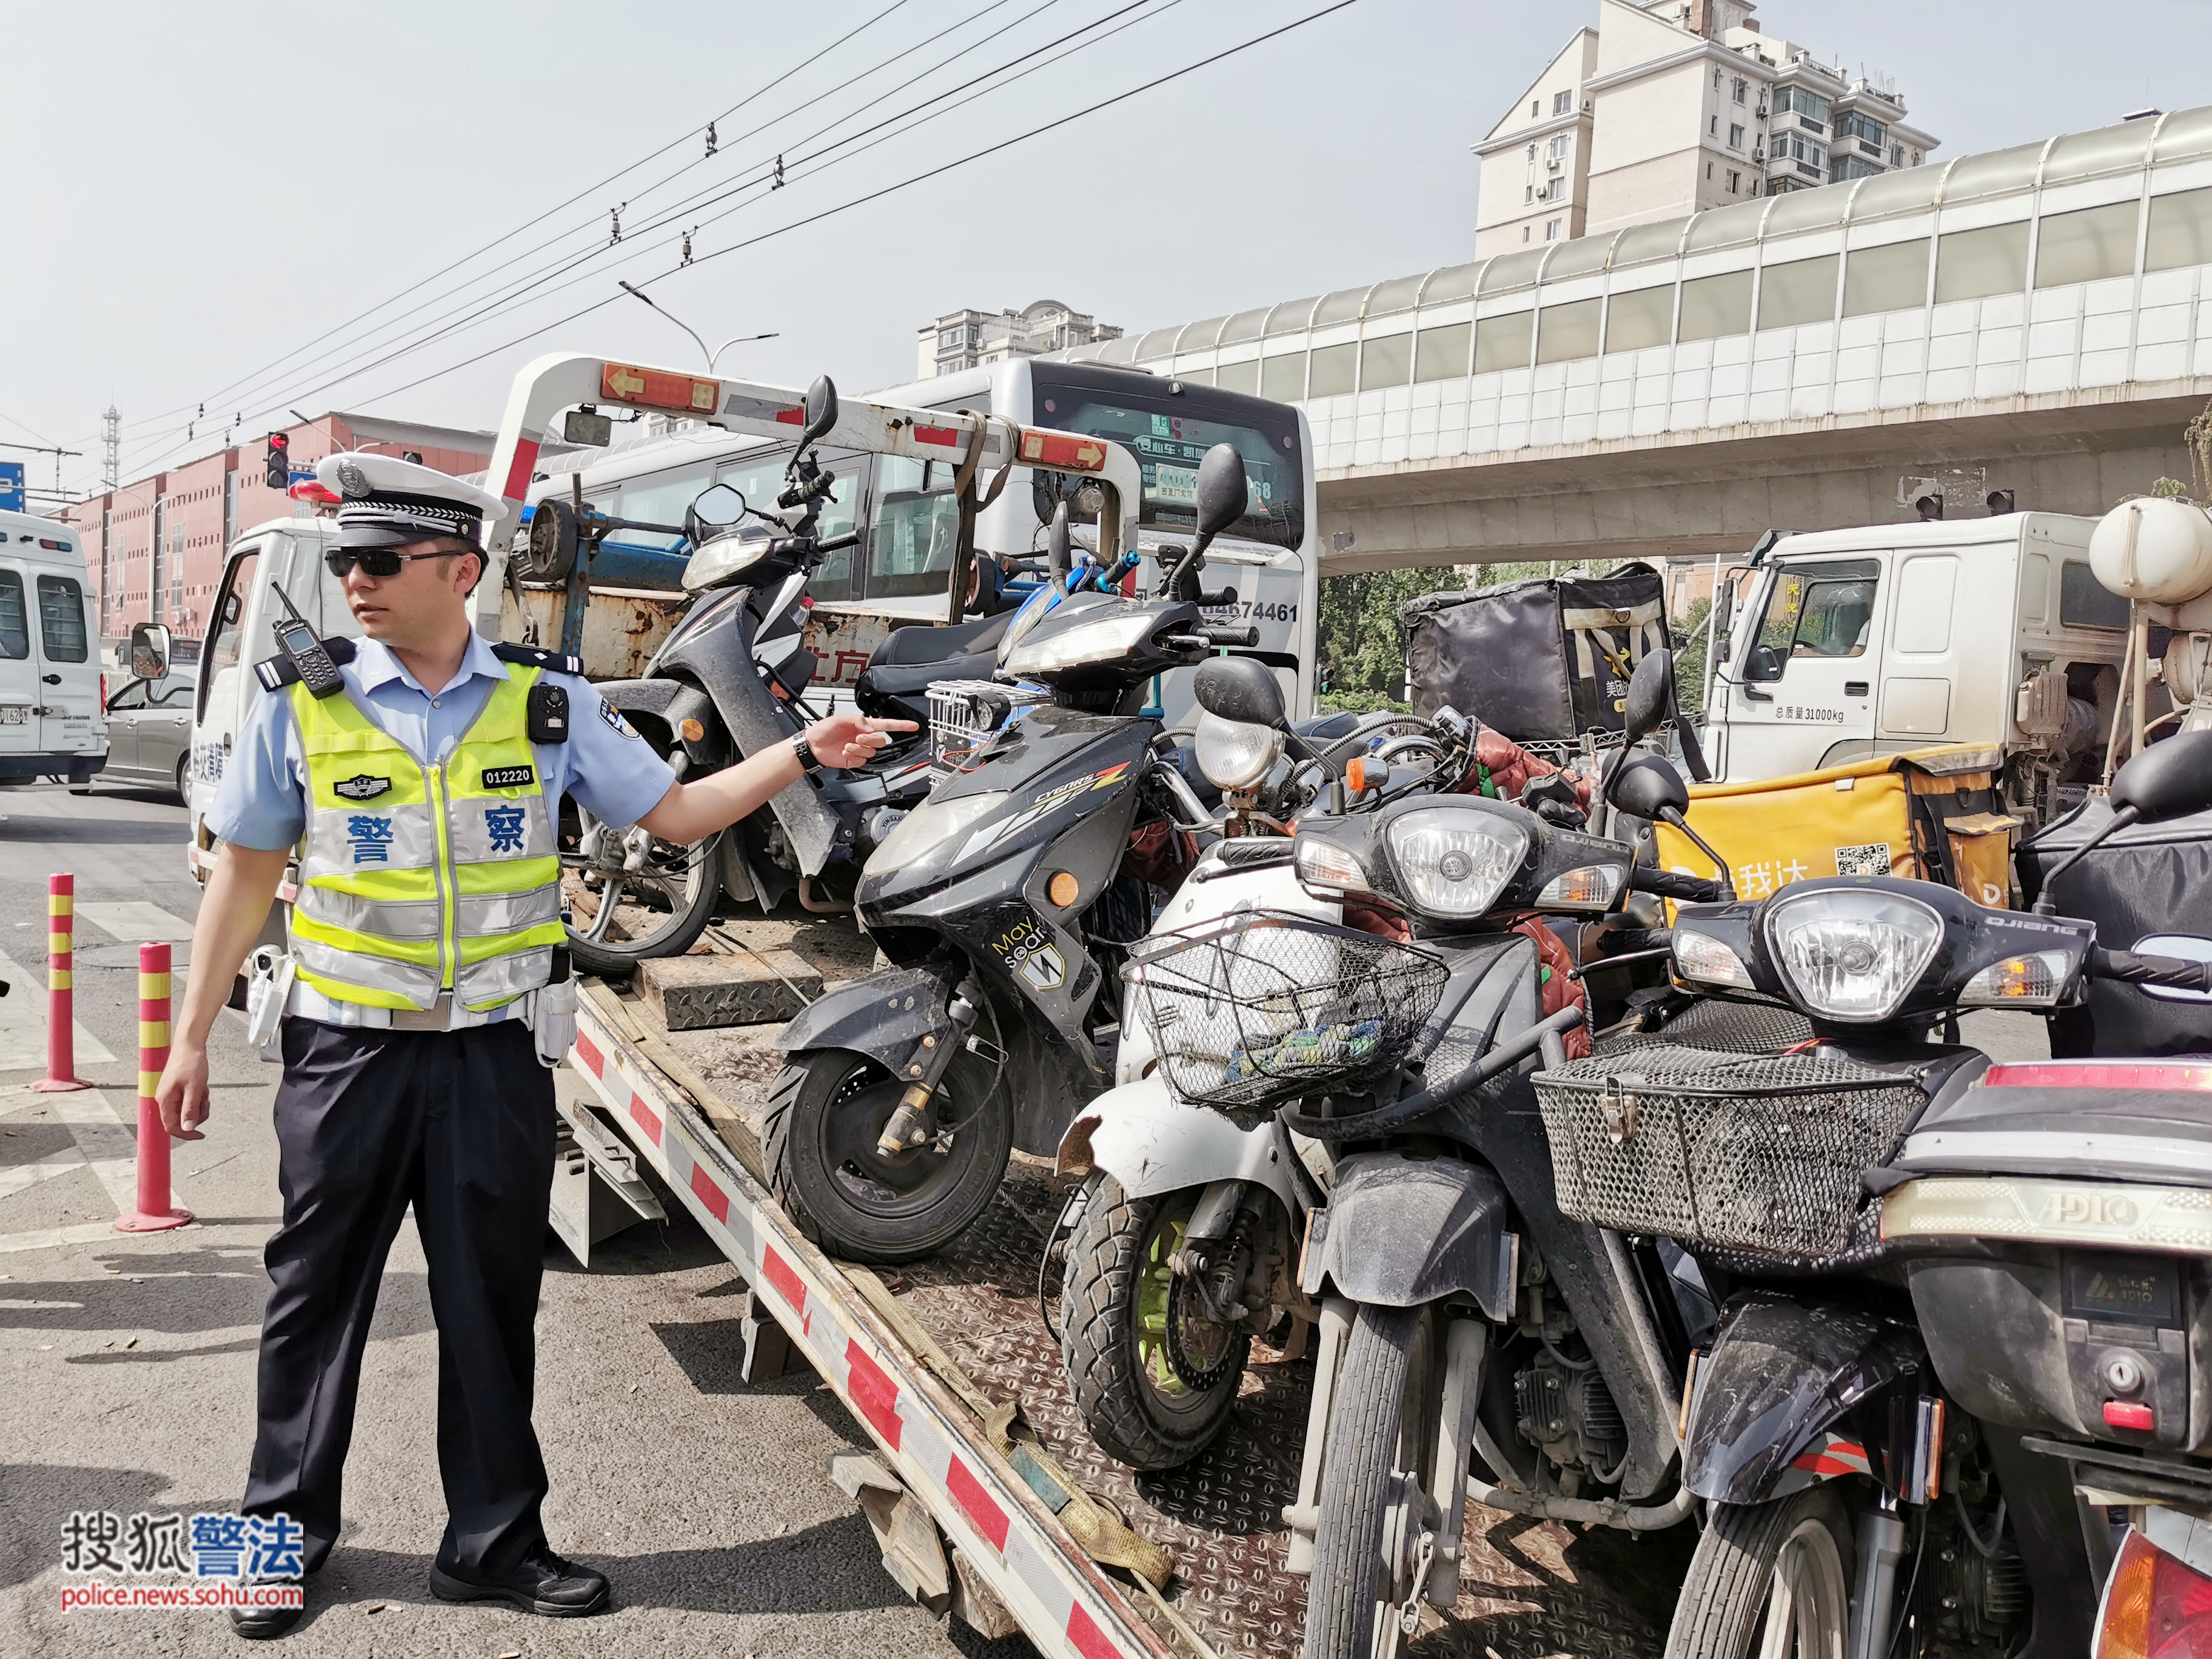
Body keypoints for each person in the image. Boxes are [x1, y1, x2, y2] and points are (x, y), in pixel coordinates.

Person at [154, 453, 911, 1640]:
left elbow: (675, 814)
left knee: (490, 1305)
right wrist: (188, 1039)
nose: (352, 579)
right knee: (313, 1303)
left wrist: (805, 754)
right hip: (344, 1060)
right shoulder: (302, 698)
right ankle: (278, 1542)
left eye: (378, 561)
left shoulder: (548, 704)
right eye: (345, 560)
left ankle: (494, 1542)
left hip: (494, 1063)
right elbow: (247, 871)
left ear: (459, 571)